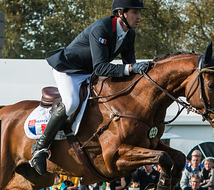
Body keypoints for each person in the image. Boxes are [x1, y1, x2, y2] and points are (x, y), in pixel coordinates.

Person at [30, 0, 148, 175]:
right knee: (71, 103)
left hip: (89, 72)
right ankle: (39, 148)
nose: (139, 17)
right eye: (135, 13)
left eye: (139, 13)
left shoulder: (129, 35)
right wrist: (131, 68)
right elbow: (102, 67)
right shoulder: (102, 29)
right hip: (69, 70)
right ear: (121, 13)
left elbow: (128, 66)